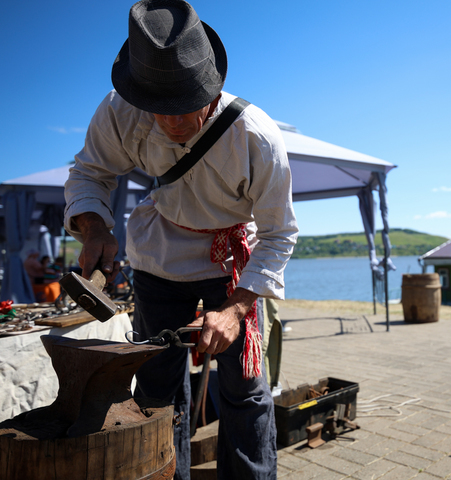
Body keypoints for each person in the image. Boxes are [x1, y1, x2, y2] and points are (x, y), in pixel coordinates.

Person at [63, 1, 298, 478]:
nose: (171, 123)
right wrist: (95, 227)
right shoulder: (120, 112)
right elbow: (89, 173)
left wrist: (235, 310)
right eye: (159, 109)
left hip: (233, 263)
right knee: (156, 390)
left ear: (210, 86)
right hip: (159, 257)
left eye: (185, 107)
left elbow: (279, 234)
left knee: (245, 388)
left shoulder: (256, 136)